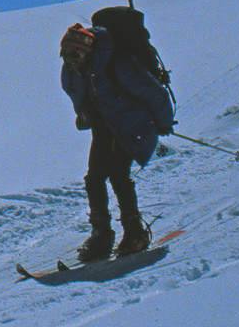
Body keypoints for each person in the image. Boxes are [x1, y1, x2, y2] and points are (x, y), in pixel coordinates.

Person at [59, 21, 175, 260]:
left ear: (88, 50)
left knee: (117, 176)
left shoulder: (116, 65)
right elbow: (79, 96)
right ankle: (104, 234)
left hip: (131, 126)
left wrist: (164, 122)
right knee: (95, 178)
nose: (69, 58)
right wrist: (84, 115)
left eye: (75, 53)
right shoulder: (72, 72)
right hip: (104, 128)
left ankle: (132, 233)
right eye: (65, 53)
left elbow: (154, 92)